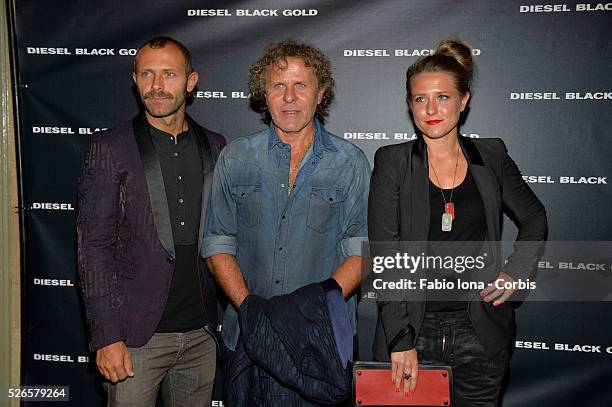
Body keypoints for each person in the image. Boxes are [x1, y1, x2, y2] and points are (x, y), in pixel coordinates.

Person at [368, 38, 547, 406]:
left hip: (481, 331)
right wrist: (400, 341)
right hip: (414, 330)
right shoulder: (392, 163)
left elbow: (534, 217)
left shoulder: (491, 155)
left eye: (443, 97)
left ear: (464, 101)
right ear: (409, 105)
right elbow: (387, 258)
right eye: (420, 99)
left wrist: (516, 272)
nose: (431, 108)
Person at [203, 39, 370, 405]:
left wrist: (302, 313)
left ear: (320, 93)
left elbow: (362, 250)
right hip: (246, 336)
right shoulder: (235, 158)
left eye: (301, 85)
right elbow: (218, 243)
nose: (289, 97)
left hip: (319, 341)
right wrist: (252, 311)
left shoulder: (350, 161)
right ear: (264, 94)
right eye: (278, 85)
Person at [77, 36, 225, 406]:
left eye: (169, 74)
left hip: (201, 334)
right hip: (134, 338)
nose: (157, 86)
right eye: (147, 74)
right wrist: (107, 336)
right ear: (135, 80)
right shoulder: (109, 147)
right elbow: (92, 247)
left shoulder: (216, 146)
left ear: (191, 82)